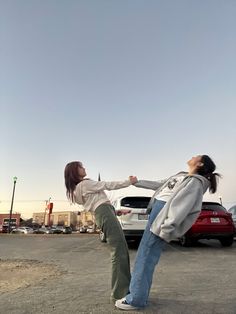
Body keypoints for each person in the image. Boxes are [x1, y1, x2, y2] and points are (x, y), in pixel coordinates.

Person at [115, 155, 221, 310]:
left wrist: (166, 229)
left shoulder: (196, 182)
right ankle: (138, 295)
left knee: (145, 257)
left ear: (200, 163)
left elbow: (181, 207)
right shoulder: (182, 176)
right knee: (144, 256)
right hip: (157, 211)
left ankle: (136, 300)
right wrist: (137, 182)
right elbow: (160, 184)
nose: (192, 156)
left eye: (195, 156)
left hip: (163, 214)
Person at [64, 161, 137, 302]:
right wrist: (129, 181)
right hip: (104, 214)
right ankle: (120, 294)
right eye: (80, 166)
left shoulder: (79, 189)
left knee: (120, 249)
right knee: (119, 250)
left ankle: (124, 289)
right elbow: (107, 185)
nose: (84, 168)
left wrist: (116, 211)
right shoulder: (84, 184)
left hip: (105, 213)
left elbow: (98, 205)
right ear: (74, 171)